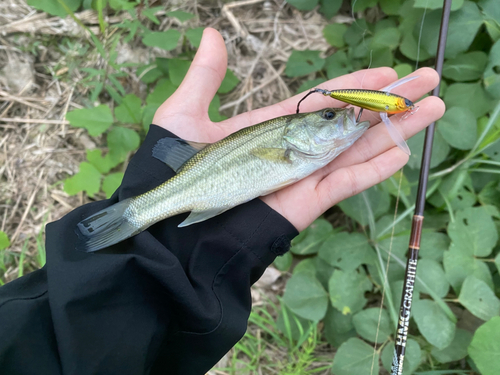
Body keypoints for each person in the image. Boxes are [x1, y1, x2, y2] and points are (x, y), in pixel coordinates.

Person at [0, 28, 444, 374]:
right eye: (329, 114)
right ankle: (131, 216)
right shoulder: (289, 142)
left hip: (209, 192)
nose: (341, 115)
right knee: (141, 210)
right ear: (299, 132)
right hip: (197, 189)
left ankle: (125, 224)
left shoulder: (307, 145)